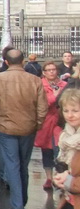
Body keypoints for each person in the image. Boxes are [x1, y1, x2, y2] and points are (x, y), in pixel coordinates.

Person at [0, 48, 46, 209]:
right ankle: (21, 201)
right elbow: (42, 108)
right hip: (28, 128)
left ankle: (18, 205)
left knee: (12, 165)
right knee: (23, 165)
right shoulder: (35, 80)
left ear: (6, 62)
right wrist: (37, 124)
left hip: (5, 127)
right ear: (23, 61)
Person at [35, 61, 66, 191]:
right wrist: (56, 94)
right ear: (44, 72)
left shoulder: (64, 84)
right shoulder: (40, 85)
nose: (51, 72)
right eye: (48, 70)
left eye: (53, 69)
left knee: (60, 150)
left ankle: (60, 177)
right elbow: (46, 102)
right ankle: (49, 178)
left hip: (60, 122)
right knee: (46, 151)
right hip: (46, 122)